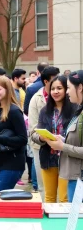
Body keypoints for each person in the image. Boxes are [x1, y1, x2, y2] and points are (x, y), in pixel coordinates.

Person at [32, 76, 76, 202]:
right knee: (49, 197)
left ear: (66, 89)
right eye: (52, 89)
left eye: (59, 88)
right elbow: (34, 134)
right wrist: (41, 137)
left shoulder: (75, 109)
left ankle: (65, 222)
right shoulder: (45, 111)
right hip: (48, 158)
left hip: (67, 159)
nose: (55, 92)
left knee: (64, 198)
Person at [45, 70, 83, 202]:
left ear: (80, 88)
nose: (67, 92)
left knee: (76, 220)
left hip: (79, 179)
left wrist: (62, 146)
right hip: (75, 177)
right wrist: (63, 140)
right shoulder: (79, 111)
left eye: (69, 87)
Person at [0, 76, 27, 191]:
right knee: (1, 199)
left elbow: (23, 139)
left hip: (12, 163)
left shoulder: (14, 111)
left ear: (7, 90)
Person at [28, 67, 60, 200]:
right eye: (54, 81)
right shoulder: (37, 99)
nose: (57, 88)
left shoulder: (66, 99)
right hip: (41, 148)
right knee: (44, 187)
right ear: (46, 82)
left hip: (62, 147)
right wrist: (46, 139)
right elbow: (33, 129)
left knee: (62, 187)